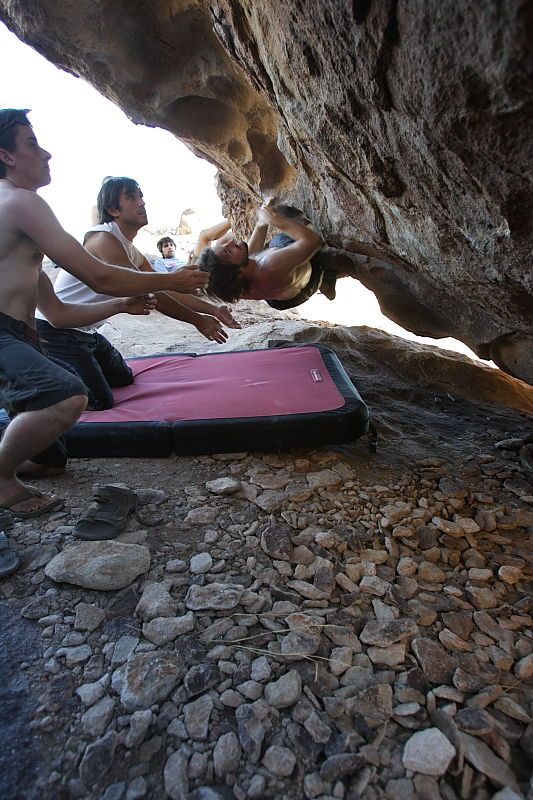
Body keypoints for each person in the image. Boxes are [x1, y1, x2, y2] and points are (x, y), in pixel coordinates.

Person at [0, 108, 209, 523]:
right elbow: (97, 274)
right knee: (69, 395)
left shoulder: (18, 224)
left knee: (50, 463)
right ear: (6, 156)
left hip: (24, 336)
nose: (46, 154)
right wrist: (169, 282)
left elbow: (57, 314)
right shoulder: (21, 201)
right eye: (31, 145)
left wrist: (119, 306)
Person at [36, 177, 240, 410]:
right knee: (100, 401)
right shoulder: (103, 239)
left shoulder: (130, 250)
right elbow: (149, 288)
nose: (141, 202)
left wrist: (213, 310)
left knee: (123, 378)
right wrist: (197, 320)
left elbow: (159, 286)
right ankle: (48, 375)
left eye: (140, 196)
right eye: (131, 197)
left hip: (86, 333)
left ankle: (77, 367)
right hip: (56, 332)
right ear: (113, 210)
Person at [197, 202, 330, 308]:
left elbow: (248, 259)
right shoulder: (272, 265)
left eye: (223, 246)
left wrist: (261, 224)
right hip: (312, 274)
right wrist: (277, 221)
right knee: (280, 239)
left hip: (279, 300)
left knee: (258, 255)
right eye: (229, 251)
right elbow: (313, 241)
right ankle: (329, 273)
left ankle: (327, 279)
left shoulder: (232, 284)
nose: (230, 242)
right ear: (239, 273)